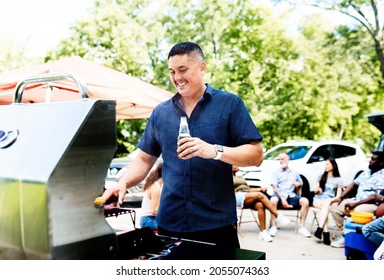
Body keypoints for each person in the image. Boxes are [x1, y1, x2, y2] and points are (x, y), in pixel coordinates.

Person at [101, 41, 264, 248]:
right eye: (172, 72)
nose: (177, 78)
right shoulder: (160, 113)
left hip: (217, 226)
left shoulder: (229, 105)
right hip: (170, 224)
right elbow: (144, 158)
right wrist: (123, 183)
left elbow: (256, 155)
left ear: (202, 67)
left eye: (183, 70)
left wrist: (214, 151)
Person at [329, 151, 384, 248]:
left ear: (381, 163)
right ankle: (345, 234)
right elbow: (353, 184)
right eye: (370, 158)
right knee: (335, 207)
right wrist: (341, 197)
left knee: (358, 211)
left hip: (371, 204)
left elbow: (375, 196)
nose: (370, 161)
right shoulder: (366, 172)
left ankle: (348, 237)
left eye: (373, 159)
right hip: (356, 200)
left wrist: (355, 204)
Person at [233, 166, 291, 242]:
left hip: (247, 195)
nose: (237, 166)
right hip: (237, 197)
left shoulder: (240, 177)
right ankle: (278, 215)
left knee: (260, 205)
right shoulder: (226, 177)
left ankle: (263, 232)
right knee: (260, 195)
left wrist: (260, 189)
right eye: (234, 165)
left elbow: (249, 189)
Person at [268, 152, 312, 238]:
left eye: (282, 159)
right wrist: (283, 198)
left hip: (291, 196)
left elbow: (301, 182)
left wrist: (298, 184)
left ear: (288, 159)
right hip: (279, 196)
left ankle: (302, 227)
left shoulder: (295, 172)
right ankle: (273, 226)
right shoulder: (275, 172)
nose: (281, 161)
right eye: (279, 159)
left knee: (305, 201)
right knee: (272, 200)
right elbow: (274, 188)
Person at [312, 158, 344, 245]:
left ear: (333, 165)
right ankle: (323, 231)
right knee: (325, 207)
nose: (325, 166)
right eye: (325, 164)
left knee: (325, 207)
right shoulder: (321, 176)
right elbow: (316, 191)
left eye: (327, 164)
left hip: (329, 200)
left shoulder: (338, 179)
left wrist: (329, 200)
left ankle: (323, 231)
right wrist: (317, 190)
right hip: (318, 200)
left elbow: (338, 196)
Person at [139, 162, 163, 231]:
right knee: (171, 228)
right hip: (148, 220)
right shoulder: (156, 187)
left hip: (151, 218)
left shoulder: (159, 186)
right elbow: (155, 210)